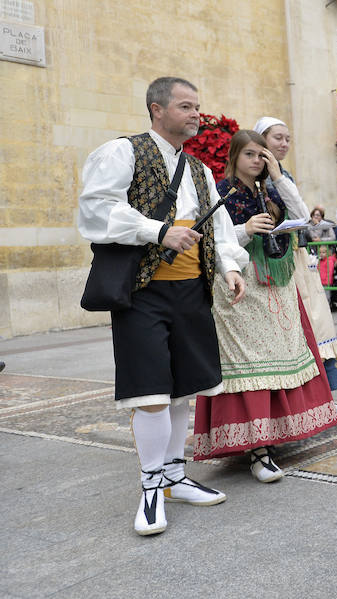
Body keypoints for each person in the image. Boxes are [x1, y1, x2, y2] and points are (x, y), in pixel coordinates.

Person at [77, 77, 248, 536]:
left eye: (198, 107)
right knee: (151, 393)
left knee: (182, 389)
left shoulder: (198, 169)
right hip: (143, 290)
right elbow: (95, 210)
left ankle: (174, 475)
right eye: (186, 106)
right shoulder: (123, 153)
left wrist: (230, 266)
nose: (196, 114)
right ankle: (151, 486)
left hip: (192, 289)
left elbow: (221, 227)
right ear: (157, 109)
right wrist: (157, 230)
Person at [192, 130, 337, 482]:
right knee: (249, 364)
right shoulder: (222, 190)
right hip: (240, 285)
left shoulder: (272, 189)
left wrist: (278, 176)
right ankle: (258, 447)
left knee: (280, 361)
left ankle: (274, 436)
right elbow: (213, 240)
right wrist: (245, 228)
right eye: (251, 155)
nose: (257, 161)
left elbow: (304, 218)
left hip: (277, 285)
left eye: (263, 155)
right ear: (234, 157)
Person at [253, 117, 337, 416]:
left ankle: (326, 396)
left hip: (295, 257)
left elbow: (301, 214)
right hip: (269, 263)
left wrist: (280, 177)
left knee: (319, 324)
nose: (284, 144)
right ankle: (292, 401)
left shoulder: (284, 174)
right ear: (261, 141)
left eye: (287, 138)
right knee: (291, 330)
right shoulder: (252, 177)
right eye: (277, 138)